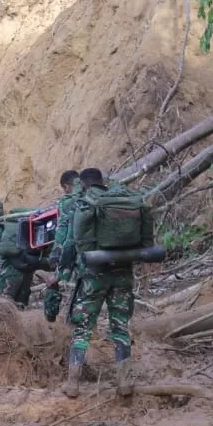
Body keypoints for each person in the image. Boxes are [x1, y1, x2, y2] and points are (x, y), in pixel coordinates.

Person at [64, 168, 153, 398]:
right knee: (120, 326)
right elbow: (146, 242)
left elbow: (75, 242)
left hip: (94, 275)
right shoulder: (124, 200)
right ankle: (124, 381)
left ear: (83, 184)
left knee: (83, 327)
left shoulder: (86, 203)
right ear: (103, 182)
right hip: (123, 272)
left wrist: (65, 268)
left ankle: (73, 383)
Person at [43, 170, 81, 322]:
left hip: (79, 256)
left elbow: (64, 233)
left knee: (56, 282)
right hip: (109, 254)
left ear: (66, 187)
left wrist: (56, 257)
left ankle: (52, 322)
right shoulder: (94, 194)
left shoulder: (68, 202)